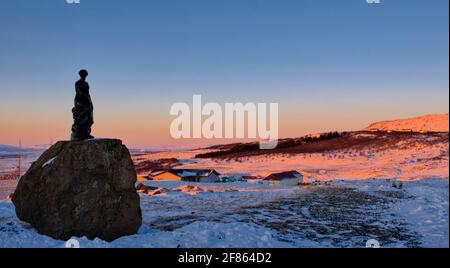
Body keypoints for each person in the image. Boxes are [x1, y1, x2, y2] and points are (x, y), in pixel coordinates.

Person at [71, 69, 94, 141]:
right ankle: (80, 133)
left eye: (84, 74)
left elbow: (88, 93)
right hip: (80, 101)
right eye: (82, 74)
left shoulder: (86, 83)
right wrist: (87, 100)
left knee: (90, 117)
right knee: (84, 115)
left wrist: (90, 102)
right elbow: (80, 93)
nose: (83, 76)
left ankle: (86, 132)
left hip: (87, 101)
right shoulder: (77, 83)